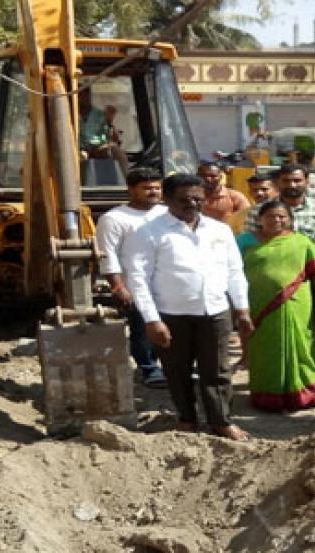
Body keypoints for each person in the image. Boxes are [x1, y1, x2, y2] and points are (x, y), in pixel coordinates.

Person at [126, 173, 254, 441]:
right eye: (184, 200)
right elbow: (138, 279)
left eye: (198, 198)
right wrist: (152, 320)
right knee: (177, 369)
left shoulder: (219, 230)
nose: (192, 204)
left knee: (217, 370)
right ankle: (187, 418)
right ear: (168, 199)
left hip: (216, 311)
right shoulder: (149, 232)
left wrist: (241, 309)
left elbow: (234, 271)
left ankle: (221, 421)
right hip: (172, 315)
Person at [239, 200, 315, 410]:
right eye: (271, 216)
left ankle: (304, 396)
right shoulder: (244, 241)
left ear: (290, 219)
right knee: (263, 348)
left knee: (301, 346)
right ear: (260, 219)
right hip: (257, 303)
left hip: (296, 303)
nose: (277, 220)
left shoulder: (301, 242)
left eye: (282, 216)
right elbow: (232, 270)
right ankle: (268, 398)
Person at [95, 167, 169, 390]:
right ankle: (149, 368)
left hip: (168, 282)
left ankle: (172, 366)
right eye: (146, 188)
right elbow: (107, 253)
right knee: (143, 326)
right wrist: (118, 286)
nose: (153, 192)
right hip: (136, 283)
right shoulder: (114, 218)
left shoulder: (167, 214)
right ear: (131, 190)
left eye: (157, 187)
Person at [244, 164, 315, 246]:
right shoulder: (258, 211)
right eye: (286, 181)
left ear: (307, 182)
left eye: (297, 180)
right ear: (277, 183)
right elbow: (249, 243)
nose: (292, 185)